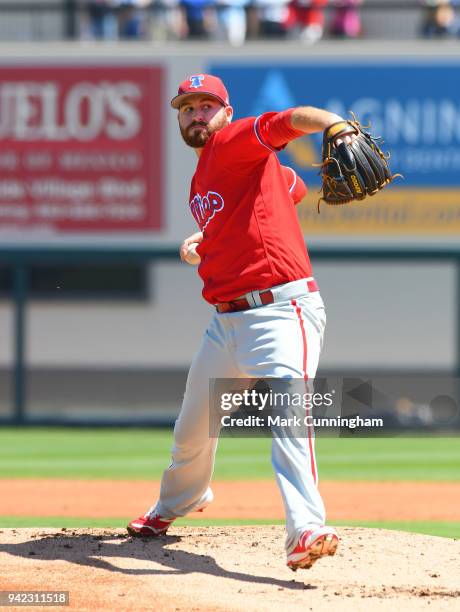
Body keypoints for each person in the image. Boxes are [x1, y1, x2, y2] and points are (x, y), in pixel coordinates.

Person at [127, 73, 347, 571]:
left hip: (280, 311)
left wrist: (335, 126)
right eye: (187, 107)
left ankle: (306, 527)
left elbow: (289, 120)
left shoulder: (232, 140)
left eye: (207, 105)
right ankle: (176, 504)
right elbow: (290, 187)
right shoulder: (205, 174)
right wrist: (207, 237)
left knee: (289, 416)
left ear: (226, 113)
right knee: (192, 429)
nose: (196, 114)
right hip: (225, 320)